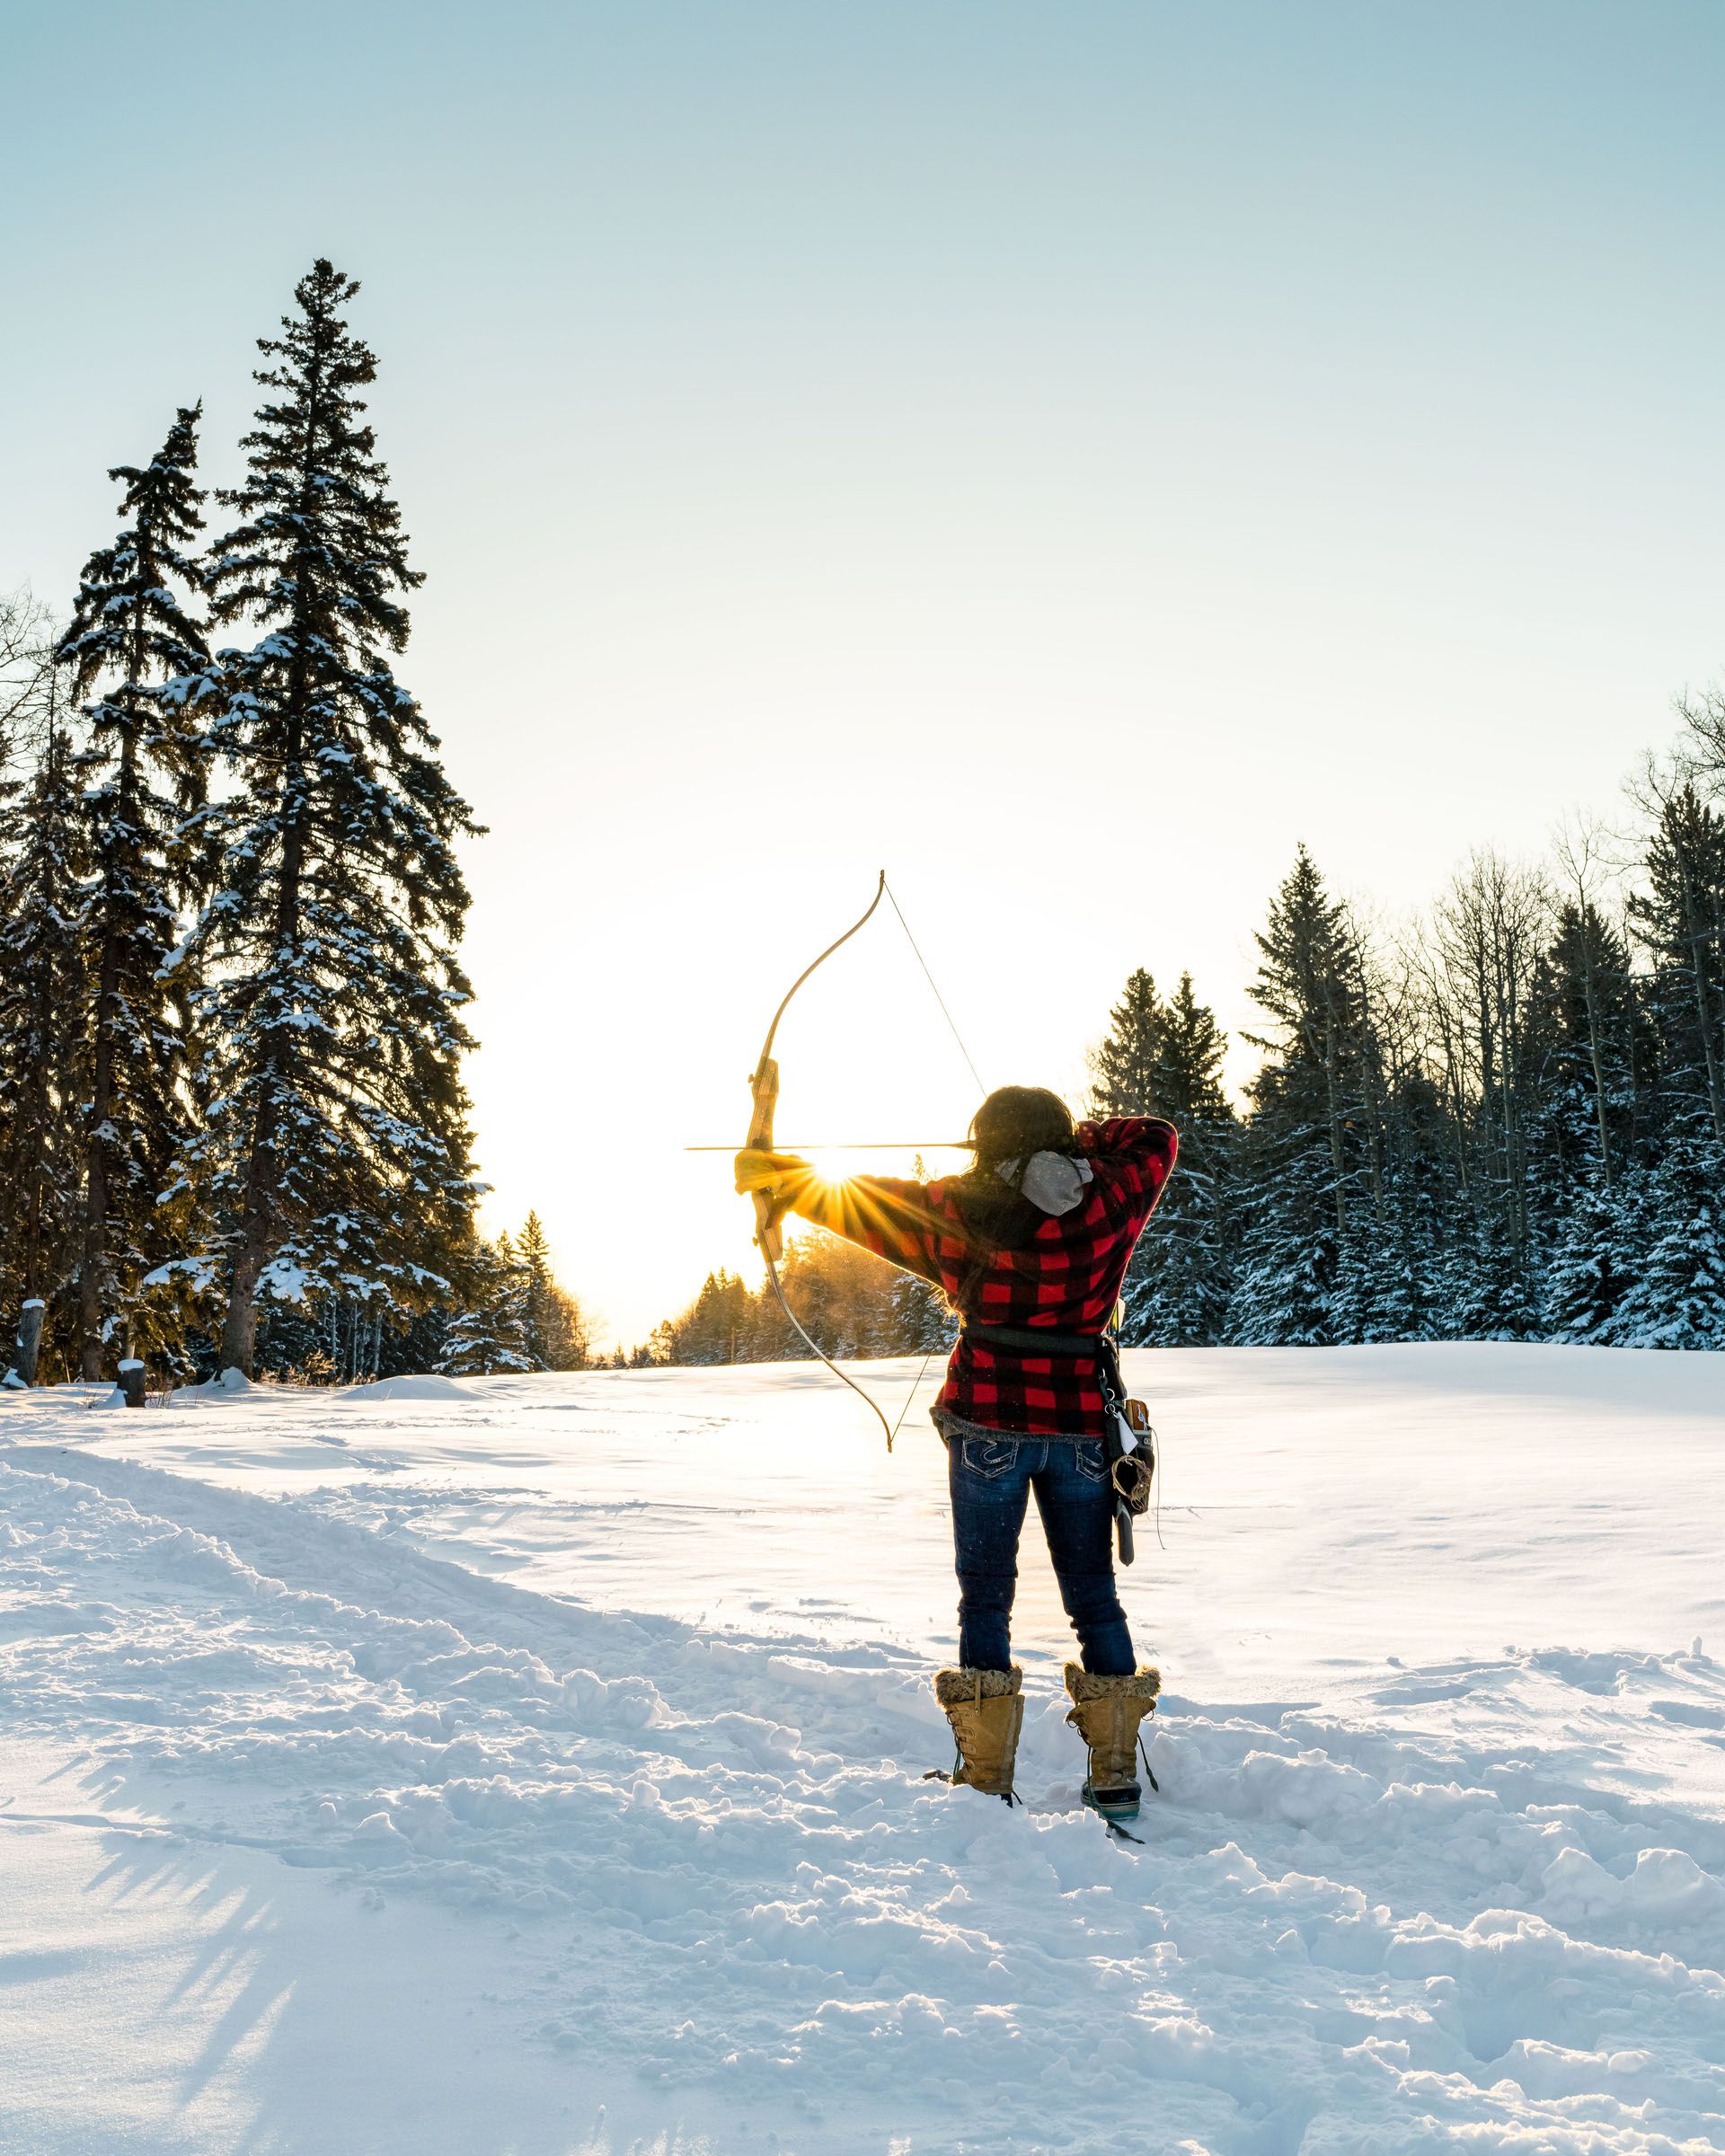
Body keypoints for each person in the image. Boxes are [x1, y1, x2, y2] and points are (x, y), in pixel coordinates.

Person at [735, 1085, 1177, 1817]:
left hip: (988, 1428)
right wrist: (1078, 1149)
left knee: (987, 1595)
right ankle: (1114, 1774)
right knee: (1094, 1596)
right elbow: (1156, 1134)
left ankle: (987, 1777)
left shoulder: (955, 1209)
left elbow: (860, 1203)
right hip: (1080, 1432)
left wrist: (776, 1176)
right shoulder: (1113, 1199)